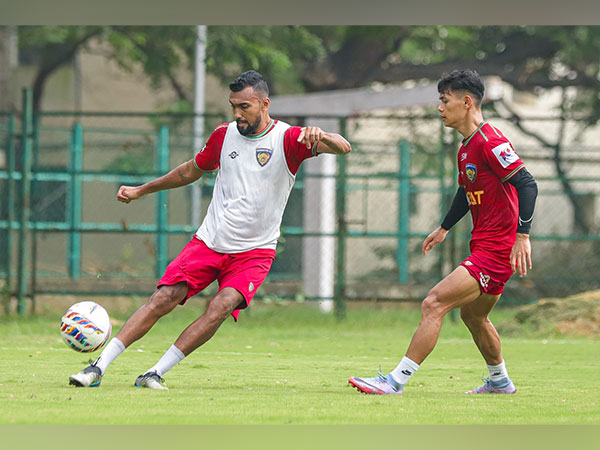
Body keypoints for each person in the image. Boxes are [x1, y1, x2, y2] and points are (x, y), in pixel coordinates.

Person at [69, 70, 351, 389]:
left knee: (221, 305)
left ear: (264, 103)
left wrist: (322, 135)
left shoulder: (289, 139)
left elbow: (344, 147)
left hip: (255, 252)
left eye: (244, 106)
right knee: (164, 298)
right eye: (233, 106)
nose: (237, 113)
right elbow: (190, 171)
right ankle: (97, 367)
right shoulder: (223, 136)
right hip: (210, 241)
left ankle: (155, 373)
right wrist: (141, 190)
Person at [349, 69, 538, 395]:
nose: (439, 107)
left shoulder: (491, 141)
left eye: (444, 100)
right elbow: (467, 192)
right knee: (473, 317)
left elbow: (527, 184)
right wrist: (443, 228)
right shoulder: (466, 147)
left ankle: (395, 381)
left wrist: (523, 236)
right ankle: (500, 381)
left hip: (496, 250)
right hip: (486, 247)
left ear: (466, 102)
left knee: (433, 303)